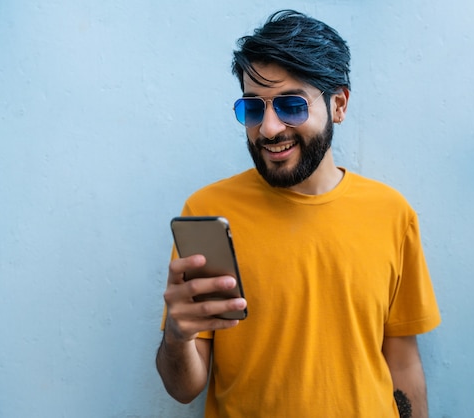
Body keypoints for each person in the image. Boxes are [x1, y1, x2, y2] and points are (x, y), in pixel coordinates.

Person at [155, 9, 440, 418]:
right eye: (253, 109)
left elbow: (404, 363)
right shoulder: (208, 211)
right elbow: (185, 389)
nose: (269, 128)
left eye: (291, 105)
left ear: (338, 104)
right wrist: (177, 337)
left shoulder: (392, 214)